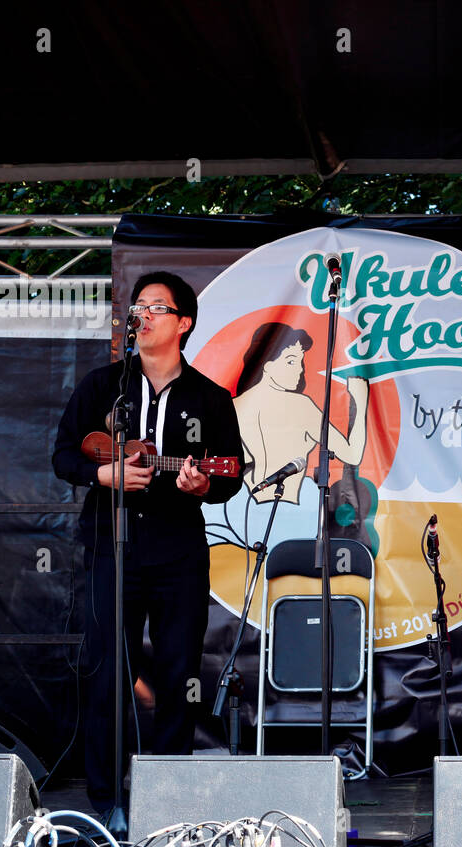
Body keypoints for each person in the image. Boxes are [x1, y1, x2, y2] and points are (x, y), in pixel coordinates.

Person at [53, 271, 243, 814]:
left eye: (157, 307)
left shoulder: (210, 397)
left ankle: (168, 803)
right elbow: (64, 454)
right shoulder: (102, 386)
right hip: (112, 549)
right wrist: (104, 477)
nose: (144, 315)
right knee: (108, 674)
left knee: (179, 673)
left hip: (179, 554)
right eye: (138, 307)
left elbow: (229, 476)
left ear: (183, 323)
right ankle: (106, 799)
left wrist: (204, 483)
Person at [232, 320, 368, 504]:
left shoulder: (232, 405)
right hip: (287, 512)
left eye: (300, 361)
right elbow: (352, 455)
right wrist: (360, 401)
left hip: (240, 512)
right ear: (267, 365)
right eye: (290, 361)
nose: (300, 369)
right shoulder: (299, 405)